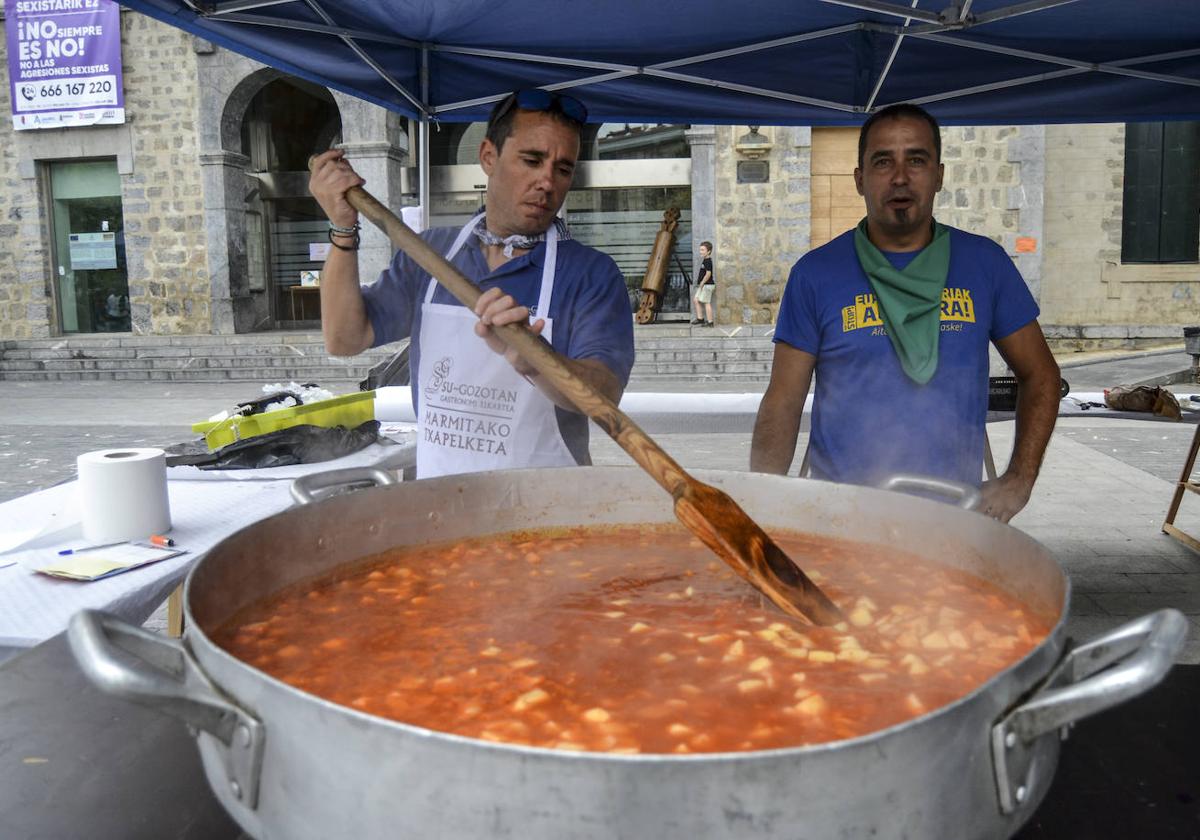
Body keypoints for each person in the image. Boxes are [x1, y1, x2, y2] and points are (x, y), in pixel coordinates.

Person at [750, 103, 1060, 523]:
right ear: (859, 180)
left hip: (953, 516)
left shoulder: (984, 264)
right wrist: (761, 502)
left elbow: (1041, 374)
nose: (899, 177)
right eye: (882, 162)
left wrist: (1020, 479)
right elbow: (783, 400)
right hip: (839, 516)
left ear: (939, 175)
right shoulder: (816, 274)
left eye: (916, 160)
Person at [308, 89, 635, 479]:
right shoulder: (431, 251)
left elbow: (604, 397)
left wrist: (537, 362)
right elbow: (344, 339)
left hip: (548, 509)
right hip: (440, 499)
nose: (547, 181)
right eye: (531, 160)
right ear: (488, 157)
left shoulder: (590, 273)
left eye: (562, 169)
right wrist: (344, 229)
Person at [691, 241, 715, 326]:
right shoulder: (705, 260)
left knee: (706, 302)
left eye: (703, 250)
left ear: (708, 251)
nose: (701, 252)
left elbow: (708, 274)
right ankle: (700, 318)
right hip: (704, 285)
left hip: (707, 285)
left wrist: (702, 282)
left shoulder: (708, 261)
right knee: (696, 300)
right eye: (700, 250)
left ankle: (710, 322)